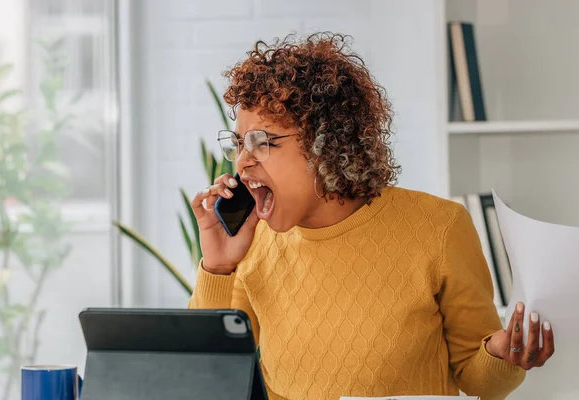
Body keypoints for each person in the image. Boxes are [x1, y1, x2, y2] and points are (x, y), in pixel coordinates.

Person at [187, 32, 554, 400]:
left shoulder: (440, 227)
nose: (242, 161)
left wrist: (502, 356)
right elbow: (205, 377)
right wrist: (217, 268)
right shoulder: (252, 243)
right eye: (238, 144)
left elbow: (477, 380)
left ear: (324, 142)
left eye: (260, 142)